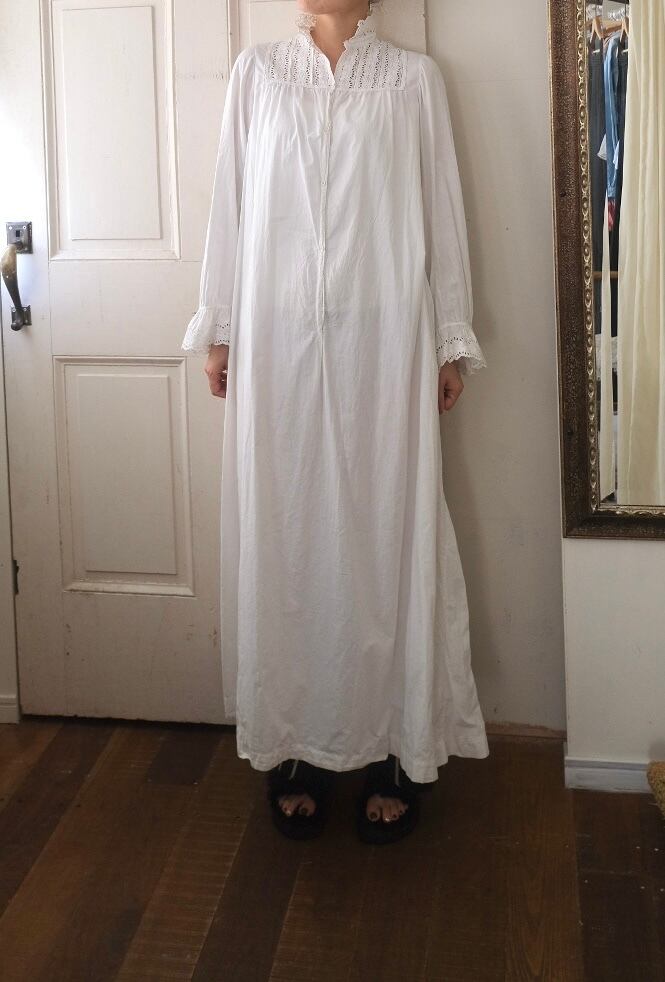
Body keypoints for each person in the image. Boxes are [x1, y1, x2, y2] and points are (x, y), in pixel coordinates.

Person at [182, 0, 490, 844]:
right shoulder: (257, 75)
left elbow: (440, 211)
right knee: (290, 538)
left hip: (385, 343)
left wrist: (449, 339)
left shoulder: (412, 81)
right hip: (276, 341)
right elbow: (230, 204)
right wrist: (219, 328)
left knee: (386, 535)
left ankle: (395, 746)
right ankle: (296, 743)